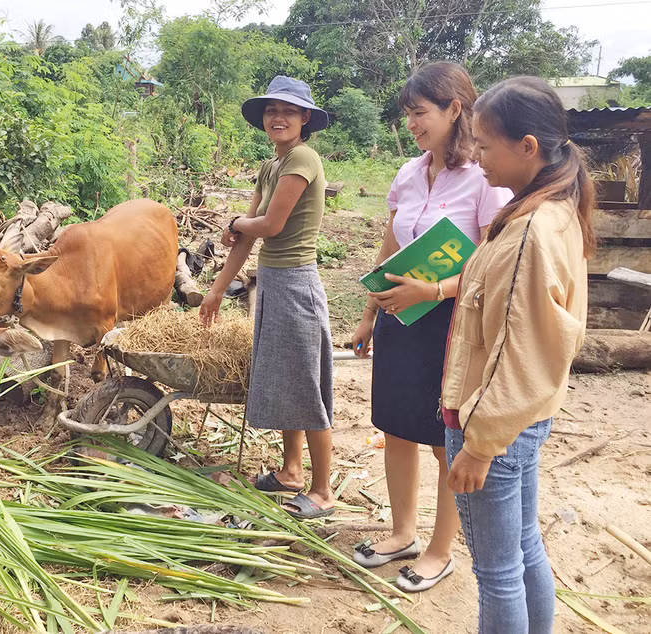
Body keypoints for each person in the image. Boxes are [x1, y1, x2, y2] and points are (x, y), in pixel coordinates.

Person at [350, 62, 511, 592]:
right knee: (396, 426)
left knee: (445, 437)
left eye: (420, 112)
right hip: (399, 316)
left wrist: (434, 291)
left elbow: (493, 264)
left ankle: (441, 550)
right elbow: (390, 247)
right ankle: (402, 533)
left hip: (451, 324)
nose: (412, 124)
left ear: (454, 109)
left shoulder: (484, 180)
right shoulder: (407, 174)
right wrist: (369, 314)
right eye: (408, 114)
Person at [442, 76, 595, 633]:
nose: (475, 156)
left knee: (498, 572)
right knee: (525, 547)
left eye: (484, 145)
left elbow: (517, 352)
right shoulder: (554, 208)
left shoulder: (531, 229)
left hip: (495, 424)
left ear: (527, 147)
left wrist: (480, 446)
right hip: (524, 419)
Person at [199, 76, 334, 519]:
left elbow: (269, 226)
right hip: (274, 282)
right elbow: (246, 236)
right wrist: (216, 290)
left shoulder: (303, 158)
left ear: (305, 118)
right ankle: (291, 472)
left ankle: (322, 490)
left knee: (306, 386)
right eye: (272, 110)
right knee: (286, 380)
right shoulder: (270, 165)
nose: (278, 118)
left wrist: (237, 222)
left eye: (289, 111)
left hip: (296, 284)